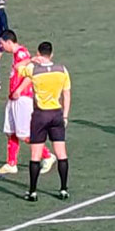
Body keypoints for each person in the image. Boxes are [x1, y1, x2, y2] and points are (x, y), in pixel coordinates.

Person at [0, 30, 50, 176]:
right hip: (13, 98)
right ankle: (11, 163)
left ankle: (48, 156)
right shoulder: (16, 55)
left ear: (9, 42)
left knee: (24, 134)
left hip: (22, 98)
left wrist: (19, 90)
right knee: (10, 131)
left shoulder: (22, 54)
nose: (1, 47)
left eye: (2, 43)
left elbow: (31, 74)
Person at [24, 41, 71, 201]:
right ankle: (64, 189)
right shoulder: (62, 70)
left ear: (39, 53)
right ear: (51, 54)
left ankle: (33, 191)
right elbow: (67, 94)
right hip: (57, 114)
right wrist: (65, 115)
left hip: (40, 115)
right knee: (61, 153)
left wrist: (31, 59)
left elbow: (18, 69)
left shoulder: (33, 69)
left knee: (35, 155)